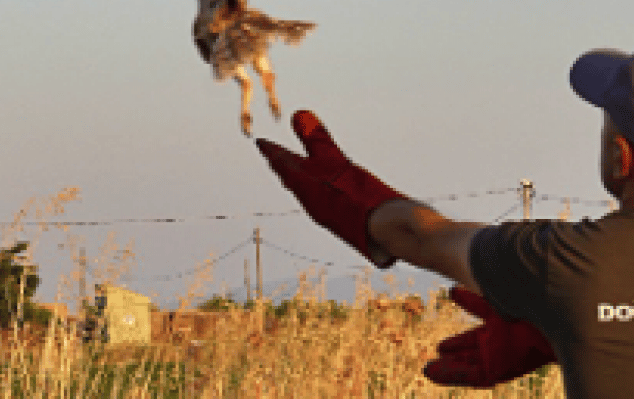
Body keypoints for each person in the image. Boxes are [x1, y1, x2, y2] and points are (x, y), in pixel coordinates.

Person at [254, 49, 634, 398]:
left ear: (621, 158)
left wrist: (345, 190)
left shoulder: (569, 260)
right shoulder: (572, 265)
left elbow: (421, 237)